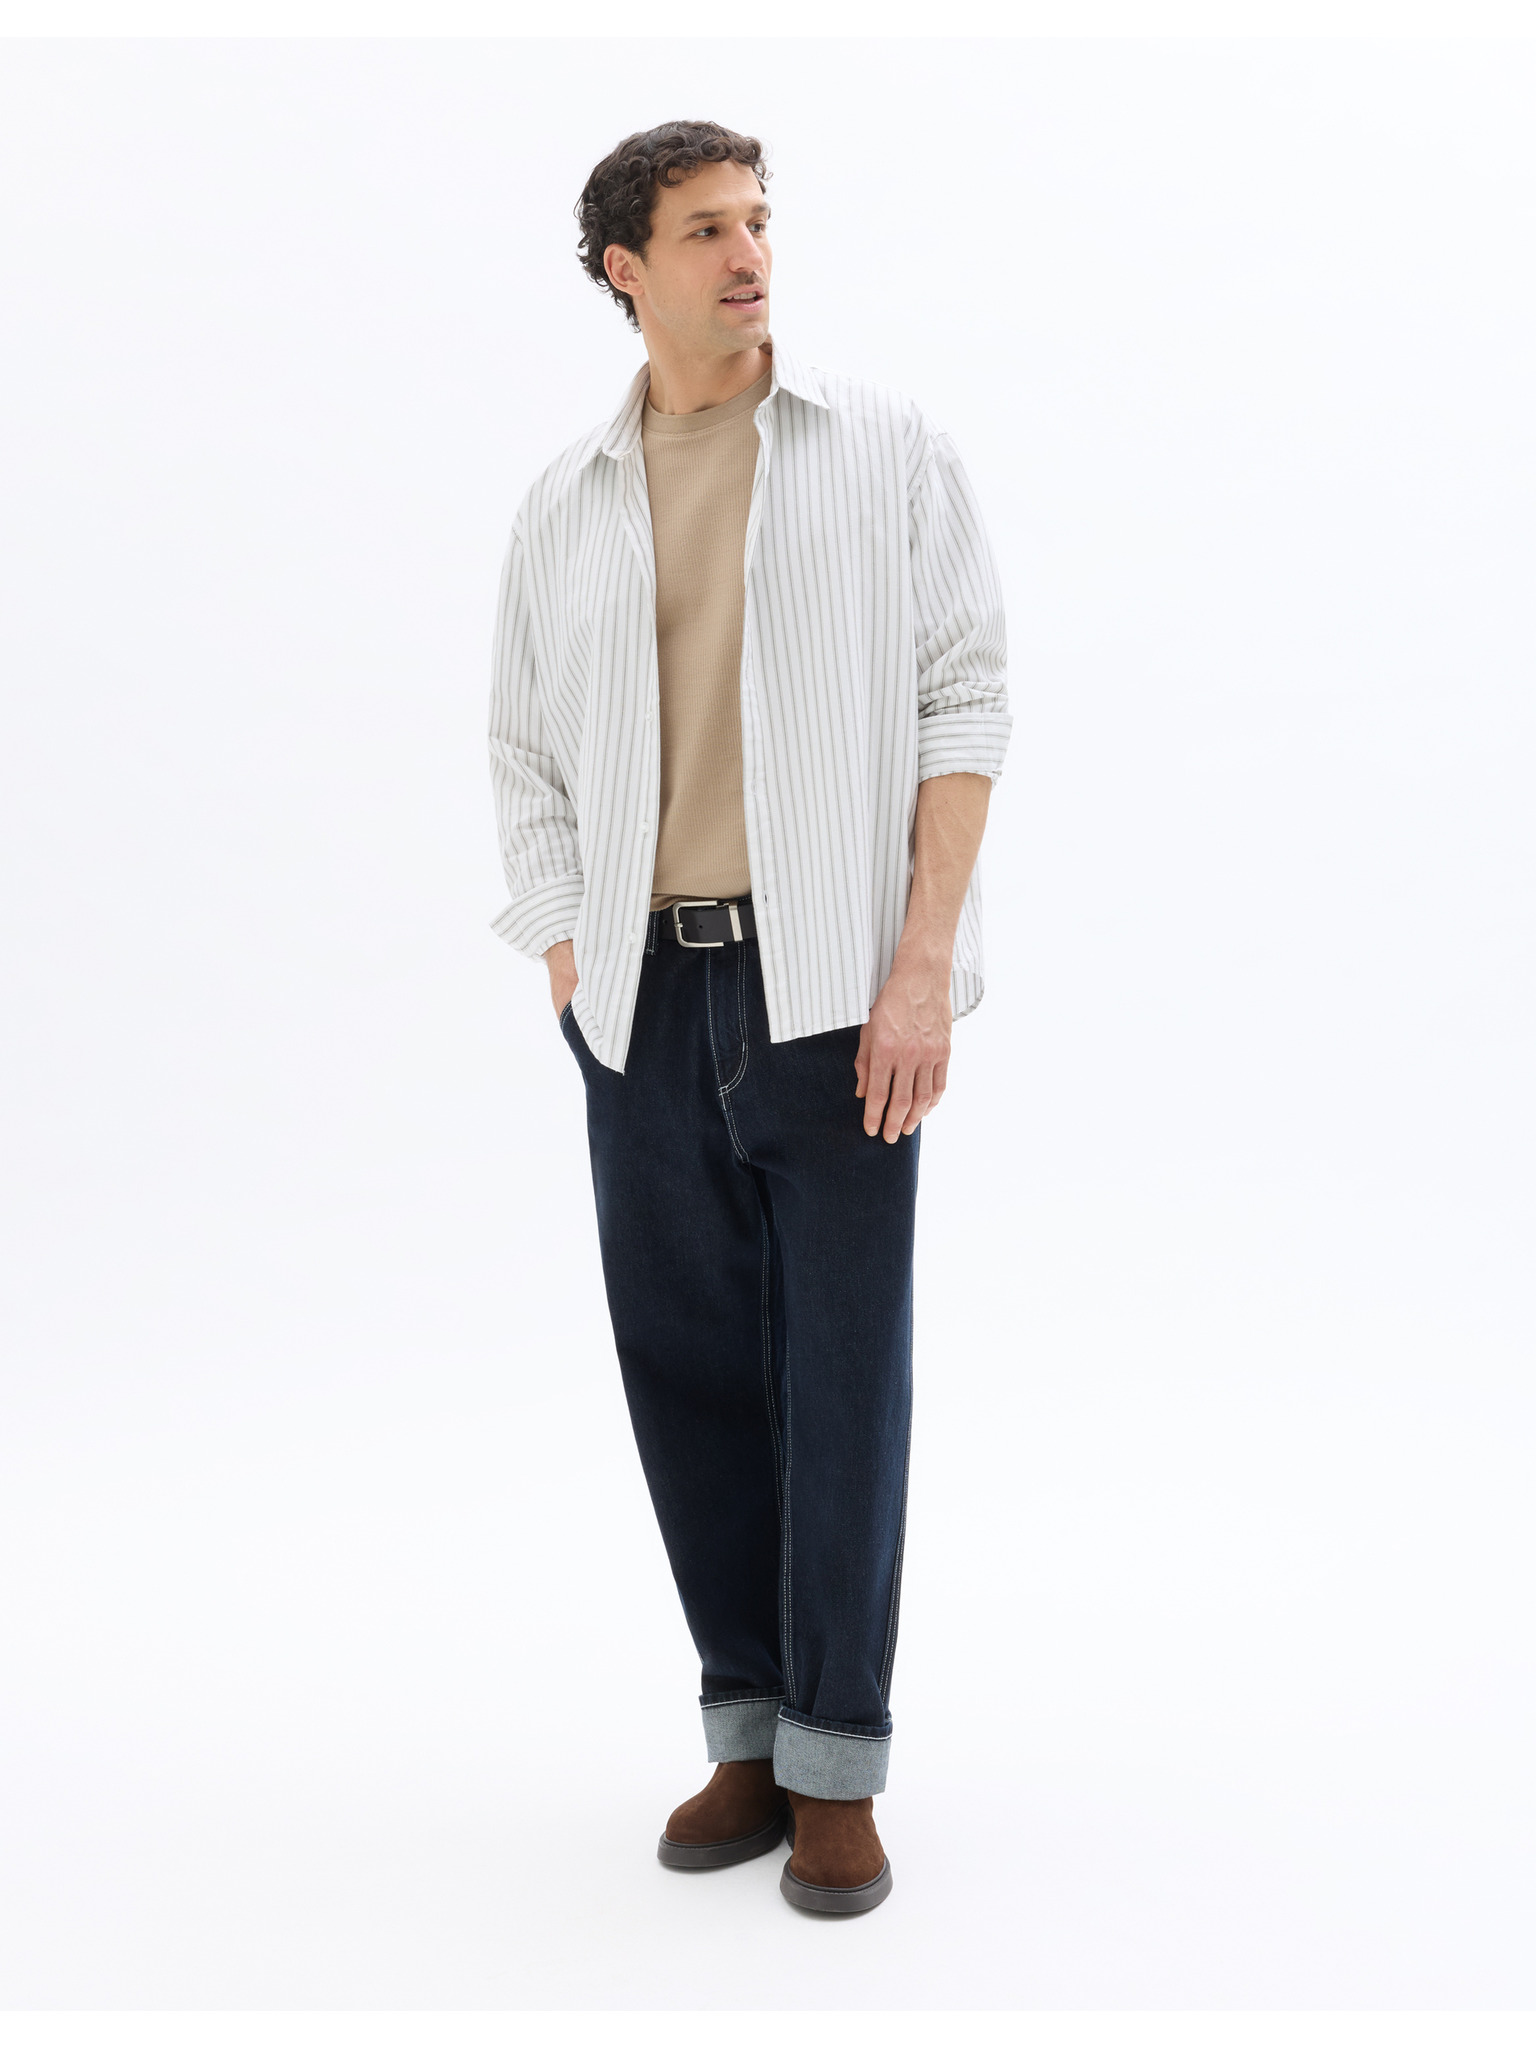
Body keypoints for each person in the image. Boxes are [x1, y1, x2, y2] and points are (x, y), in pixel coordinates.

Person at [488, 120, 1009, 1915]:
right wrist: (570, 961)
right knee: (685, 1368)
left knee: (844, 1371)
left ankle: (839, 1758)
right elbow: (523, 754)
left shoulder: (882, 452)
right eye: (707, 228)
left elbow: (965, 699)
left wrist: (922, 967)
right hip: (641, 995)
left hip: (832, 988)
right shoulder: (564, 505)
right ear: (624, 269)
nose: (749, 253)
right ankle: (746, 1726)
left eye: (760, 221)